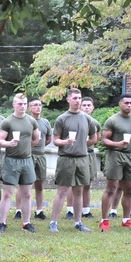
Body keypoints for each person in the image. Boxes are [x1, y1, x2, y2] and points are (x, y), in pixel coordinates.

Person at [48, 88, 97, 233]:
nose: (78, 101)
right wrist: (66, 142)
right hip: (66, 159)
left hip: (82, 159)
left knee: (79, 191)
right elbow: (55, 140)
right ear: (68, 100)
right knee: (62, 191)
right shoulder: (62, 118)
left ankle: (78, 222)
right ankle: (53, 222)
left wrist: (81, 144)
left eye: (79, 98)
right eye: (75, 98)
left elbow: (94, 138)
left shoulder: (87, 118)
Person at [0, 93, 41, 233]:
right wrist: (9, 143)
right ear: (14, 104)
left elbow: (36, 139)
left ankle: (26, 222)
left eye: (24, 104)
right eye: (19, 104)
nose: (22, 106)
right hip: (11, 161)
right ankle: (2, 222)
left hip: (27, 160)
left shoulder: (32, 121)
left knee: (27, 194)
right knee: (8, 193)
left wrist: (26, 149)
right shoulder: (7, 122)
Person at [99, 94, 131, 231]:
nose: (129, 105)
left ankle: (126, 219)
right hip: (115, 155)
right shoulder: (112, 120)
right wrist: (117, 144)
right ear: (120, 104)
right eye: (126, 103)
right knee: (111, 188)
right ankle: (105, 220)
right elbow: (105, 140)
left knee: (129, 189)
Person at [16, 98, 51, 221]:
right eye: (35, 105)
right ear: (29, 108)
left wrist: (39, 146)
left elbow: (48, 139)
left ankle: (39, 210)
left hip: (40, 156)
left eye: (40, 105)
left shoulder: (46, 122)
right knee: (24, 185)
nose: (38, 107)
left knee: (39, 184)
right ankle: (19, 210)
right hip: (27, 156)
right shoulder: (27, 121)